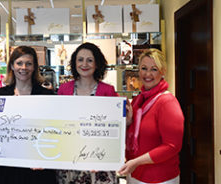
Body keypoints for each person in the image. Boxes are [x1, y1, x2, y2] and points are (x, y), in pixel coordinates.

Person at [0, 46, 57, 184]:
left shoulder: (46, 95)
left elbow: (52, 132)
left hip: (37, 166)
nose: (23, 67)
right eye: (19, 63)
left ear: (34, 67)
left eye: (29, 64)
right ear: (12, 66)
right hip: (6, 168)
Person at [118, 49, 184, 184]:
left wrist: (137, 162)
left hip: (159, 179)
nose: (148, 74)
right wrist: (129, 122)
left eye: (154, 69)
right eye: (144, 68)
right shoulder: (138, 100)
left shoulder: (168, 103)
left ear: (162, 71)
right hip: (135, 175)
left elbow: (172, 146)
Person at [57, 42, 119, 184]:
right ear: (74, 63)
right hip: (69, 159)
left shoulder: (108, 91)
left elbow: (115, 126)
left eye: (90, 60)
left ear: (97, 64)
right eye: (80, 60)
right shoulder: (64, 90)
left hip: (99, 160)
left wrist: (126, 120)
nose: (84, 64)